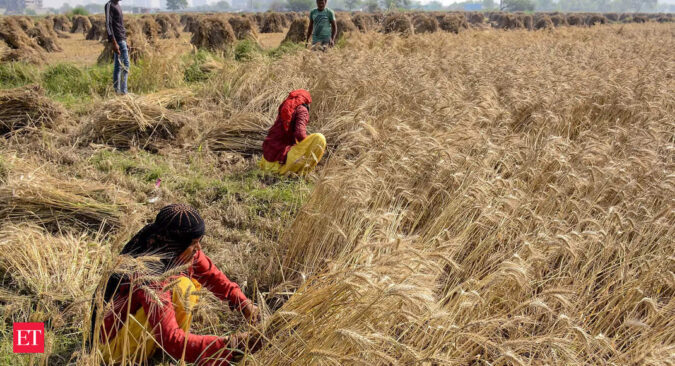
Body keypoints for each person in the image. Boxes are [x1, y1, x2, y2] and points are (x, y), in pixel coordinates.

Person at [89, 204, 262, 365]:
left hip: (139, 321)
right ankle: (141, 356)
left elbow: (211, 275)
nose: (198, 248)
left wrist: (243, 303)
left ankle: (159, 347)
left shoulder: (168, 246)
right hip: (112, 347)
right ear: (177, 245)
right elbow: (172, 340)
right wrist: (231, 345)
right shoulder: (148, 276)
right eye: (194, 243)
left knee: (185, 284)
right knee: (182, 288)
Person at [259, 89, 327, 176]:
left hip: (268, 159)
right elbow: (300, 134)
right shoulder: (302, 110)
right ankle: (297, 171)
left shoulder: (285, 106)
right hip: (282, 161)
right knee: (319, 138)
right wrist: (307, 145)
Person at [104, 0, 129, 95]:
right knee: (125, 65)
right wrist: (114, 42)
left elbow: (120, 26)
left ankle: (118, 92)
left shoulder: (118, 5)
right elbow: (108, 25)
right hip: (117, 40)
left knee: (119, 66)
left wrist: (125, 41)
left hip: (122, 39)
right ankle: (123, 92)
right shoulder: (109, 5)